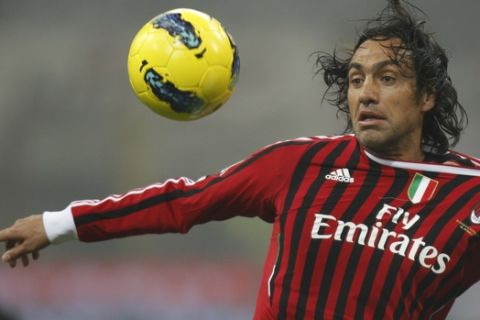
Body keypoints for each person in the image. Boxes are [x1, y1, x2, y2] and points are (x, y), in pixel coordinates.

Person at [0, 0, 479, 319]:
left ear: (427, 96)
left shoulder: (468, 194)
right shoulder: (300, 163)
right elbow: (186, 201)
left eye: (387, 78)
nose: (365, 94)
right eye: (355, 80)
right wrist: (59, 222)